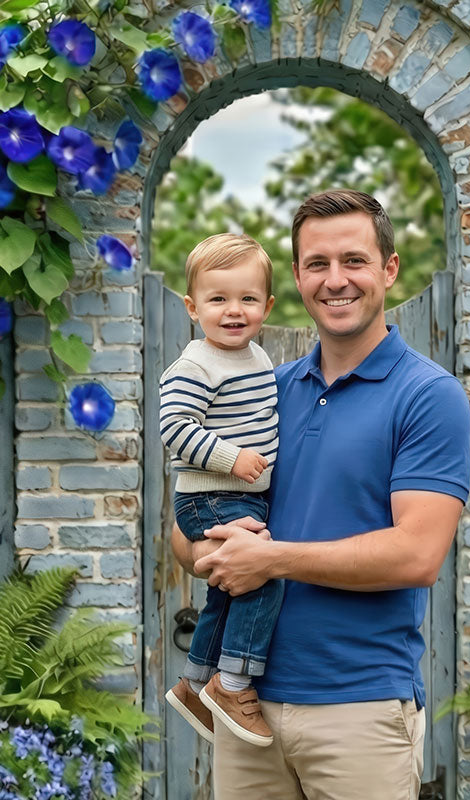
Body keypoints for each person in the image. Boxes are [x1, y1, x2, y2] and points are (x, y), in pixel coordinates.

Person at [172, 190, 470, 800]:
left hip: (359, 708)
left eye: (354, 260)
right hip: (243, 707)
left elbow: (417, 556)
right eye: (317, 264)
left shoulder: (428, 396)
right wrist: (214, 549)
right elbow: (184, 537)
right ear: (298, 278)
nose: (336, 280)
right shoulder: (263, 388)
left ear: (389, 269)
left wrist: (269, 559)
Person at [160, 233, 284, 748]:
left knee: (228, 590)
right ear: (193, 307)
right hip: (209, 494)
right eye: (218, 299)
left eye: (247, 298)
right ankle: (232, 684)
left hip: (239, 495)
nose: (234, 310)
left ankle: (194, 684)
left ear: (267, 307)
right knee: (263, 577)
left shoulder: (257, 358)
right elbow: (174, 427)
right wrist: (233, 459)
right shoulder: (197, 364)